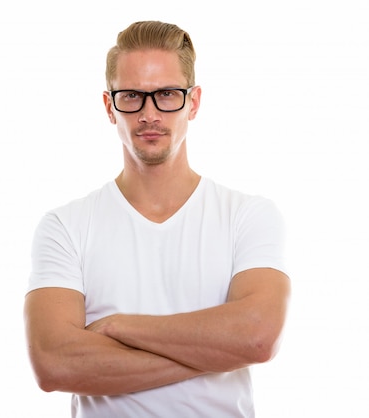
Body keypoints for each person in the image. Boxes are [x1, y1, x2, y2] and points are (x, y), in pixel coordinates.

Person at [23, 20, 290, 417]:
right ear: (109, 106)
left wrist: (118, 326)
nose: (149, 113)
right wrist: (214, 351)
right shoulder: (66, 226)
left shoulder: (247, 215)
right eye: (131, 95)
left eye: (167, 94)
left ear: (194, 102)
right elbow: (54, 364)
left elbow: (256, 339)